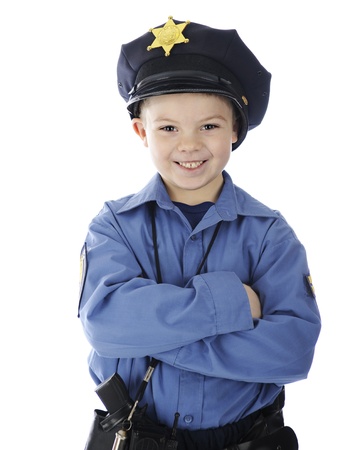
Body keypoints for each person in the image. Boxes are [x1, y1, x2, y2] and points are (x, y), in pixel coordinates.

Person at [78, 16, 321, 450]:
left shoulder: (270, 234)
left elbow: (292, 350)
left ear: (234, 130)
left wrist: (151, 339)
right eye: (168, 128)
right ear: (141, 132)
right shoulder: (114, 225)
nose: (188, 145)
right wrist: (231, 305)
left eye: (208, 126)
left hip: (246, 438)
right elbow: (105, 324)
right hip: (134, 435)